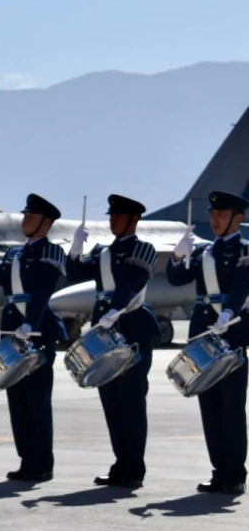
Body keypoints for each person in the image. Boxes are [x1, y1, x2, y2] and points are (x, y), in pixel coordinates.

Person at [67, 194, 161, 488]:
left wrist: (114, 310)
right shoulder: (102, 252)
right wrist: (75, 250)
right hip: (104, 332)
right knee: (112, 402)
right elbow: (74, 275)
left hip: (132, 329)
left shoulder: (143, 249)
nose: (112, 221)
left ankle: (134, 468)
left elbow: (131, 283)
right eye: (111, 216)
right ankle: (120, 463)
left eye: (118, 217)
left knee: (132, 402)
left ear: (133, 220)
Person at [0, 194, 67, 482]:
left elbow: (43, 293)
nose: (25, 220)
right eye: (25, 215)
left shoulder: (51, 253)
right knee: (17, 401)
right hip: (12, 334)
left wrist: (29, 324)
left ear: (46, 222)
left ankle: (42, 464)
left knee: (37, 401)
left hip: (36, 333)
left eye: (31, 216)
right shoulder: (14, 254)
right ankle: (27, 460)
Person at [167, 190, 249, 495]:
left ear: (238, 219)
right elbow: (177, 279)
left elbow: (242, 285)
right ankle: (218, 472)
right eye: (213, 214)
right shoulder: (203, 252)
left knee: (231, 408)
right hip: (203, 336)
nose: (215, 219)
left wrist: (229, 311)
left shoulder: (245, 251)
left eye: (222, 215)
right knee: (210, 408)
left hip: (232, 332)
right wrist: (177, 256)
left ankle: (235, 474)